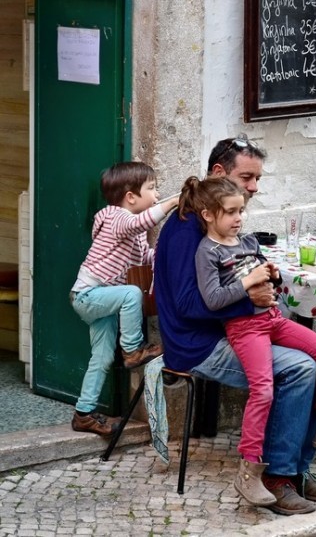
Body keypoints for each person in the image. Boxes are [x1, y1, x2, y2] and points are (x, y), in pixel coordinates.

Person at [154, 135, 316, 516]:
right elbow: (189, 306)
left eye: (257, 179)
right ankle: (276, 478)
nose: (254, 187)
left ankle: (296, 472)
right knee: (299, 369)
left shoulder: (226, 226)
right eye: (247, 177)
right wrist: (248, 296)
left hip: (237, 329)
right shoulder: (187, 229)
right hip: (197, 343)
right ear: (219, 174)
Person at [178, 175, 316, 504]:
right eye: (231, 212)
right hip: (244, 329)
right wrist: (249, 282)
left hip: (273, 320)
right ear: (208, 215)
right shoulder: (207, 252)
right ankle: (249, 471)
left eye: (241, 211)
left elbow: (261, 269)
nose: (238, 219)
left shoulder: (247, 242)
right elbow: (213, 300)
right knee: (262, 389)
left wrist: (271, 273)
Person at [70, 162, 177, 436]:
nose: (156, 194)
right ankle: (133, 349)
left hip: (104, 299)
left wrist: (173, 256)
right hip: (88, 295)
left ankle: (83, 414)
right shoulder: (116, 217)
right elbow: (142, 220)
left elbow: (146, 259)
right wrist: (174, 201)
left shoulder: (136, 232)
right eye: (152, 189)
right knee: (131, 293)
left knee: (102, 357)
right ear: (131, 197)